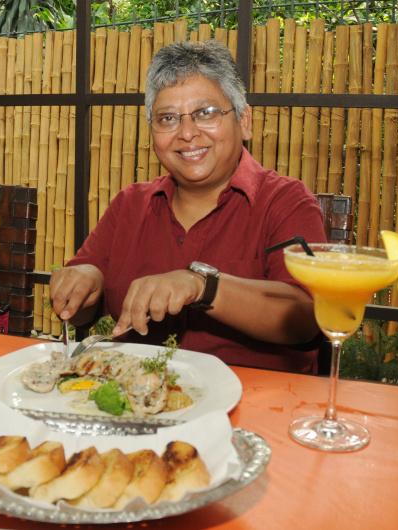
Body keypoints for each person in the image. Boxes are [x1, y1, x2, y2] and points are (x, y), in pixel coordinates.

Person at [50, 40, 327, 373]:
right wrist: (84, 282)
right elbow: (83, 308)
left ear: (244, 121)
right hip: (139, 404)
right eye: (167, 118)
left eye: (205, 113)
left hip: (258, 407)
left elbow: (307, 318)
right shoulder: (130, 203)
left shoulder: (287, 202)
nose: (187, 133)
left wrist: (203, 286)